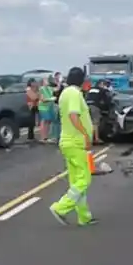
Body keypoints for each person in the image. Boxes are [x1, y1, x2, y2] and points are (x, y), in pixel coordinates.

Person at [49, 67, 97, 227]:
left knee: (76, 181)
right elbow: (73, 116)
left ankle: (84, 217)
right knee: (85, 178)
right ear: (81, 80)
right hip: (76, 142)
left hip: (67, 141)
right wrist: (85, 134)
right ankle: (61, 207)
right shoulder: (75, 94)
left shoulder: (65, 93)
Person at [85, 79, 113, 145]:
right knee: (95, 123)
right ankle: (96, 139)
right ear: (101, 84)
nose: (105, 86)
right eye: (104, 84)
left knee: (89, 123)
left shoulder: (91, 89)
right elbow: (107, 101)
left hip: (86, 106)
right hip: (95, 106)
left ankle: (88, 138)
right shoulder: (102, 90)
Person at [38, 77, 56, 142]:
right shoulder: (41, 89)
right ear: (42, 82)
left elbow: (57, 89)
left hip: (49, 107)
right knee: (44, 121)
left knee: (48, 122)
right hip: (43, 107)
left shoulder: (49, 88)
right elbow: (42, 99)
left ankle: (46, 137)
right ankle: (42, 138)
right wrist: (50, 99)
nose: (47, 81)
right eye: (45, 80)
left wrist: (58, 81)